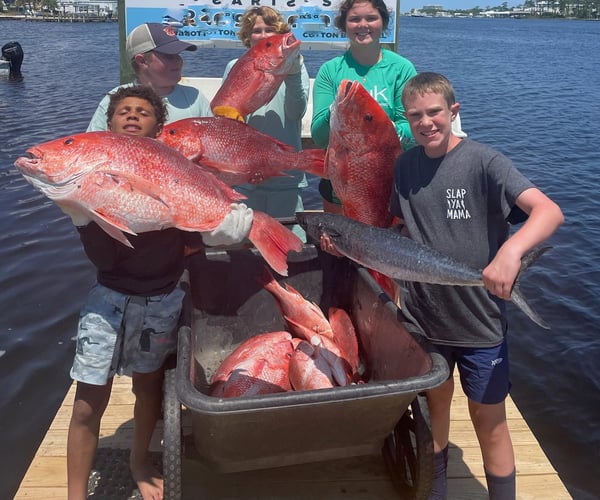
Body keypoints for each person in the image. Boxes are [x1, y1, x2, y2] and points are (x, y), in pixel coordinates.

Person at [67, 86, 252, 500]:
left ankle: (138, 461)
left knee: (147, 388)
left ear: (159, 127)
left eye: (144, 112)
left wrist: (226, 222)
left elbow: (207, 227)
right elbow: (99, 247)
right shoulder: (89, 173)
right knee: (85, 402)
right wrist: (79, 210)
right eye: (124, 111)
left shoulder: (176, 170)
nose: (132, 116)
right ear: (109, 124)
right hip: (107, 297)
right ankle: (74, 494)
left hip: (162, 297)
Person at [390, 72, 564, 499]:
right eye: (415, 116)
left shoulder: (484, 161)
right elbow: (398, 226)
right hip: (423, 316)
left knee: (489, 420)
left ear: (454, 111)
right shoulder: (404, 165)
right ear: (406, 119)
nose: (426, 123)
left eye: (434, 112)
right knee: (434, 409)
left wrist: (511, 252)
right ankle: (437, 490)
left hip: (479, 322)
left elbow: (548, 211)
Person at [310, 0, 417, 214]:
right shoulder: (330, 70)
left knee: (384, 237)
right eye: (354, 19)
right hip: (341, 181)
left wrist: (384, 129)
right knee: (338, 244)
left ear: (384, 22)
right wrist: (338, 109)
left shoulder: (402, 69)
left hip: (389, 181)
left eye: (371, 18)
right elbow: (319, 137)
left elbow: (411, 129)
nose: (363, 25)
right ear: (344, 24)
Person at [222, 6, 310, 239]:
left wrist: (292, 74)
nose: (263, 35)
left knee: (291, 243)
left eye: (269, 30)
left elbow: (295, 112)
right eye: (256, 30)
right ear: (248, 36)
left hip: (286, 178)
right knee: (247, 245)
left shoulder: (297, 65)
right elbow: (228, 119)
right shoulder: (234, 67)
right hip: (247, 178)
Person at [87, 22, 212, 132]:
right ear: (142, 61)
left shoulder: (195, 99)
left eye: (178, 54)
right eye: (168, 55)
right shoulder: (114, 100)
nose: (178, 60)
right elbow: (93, 148)